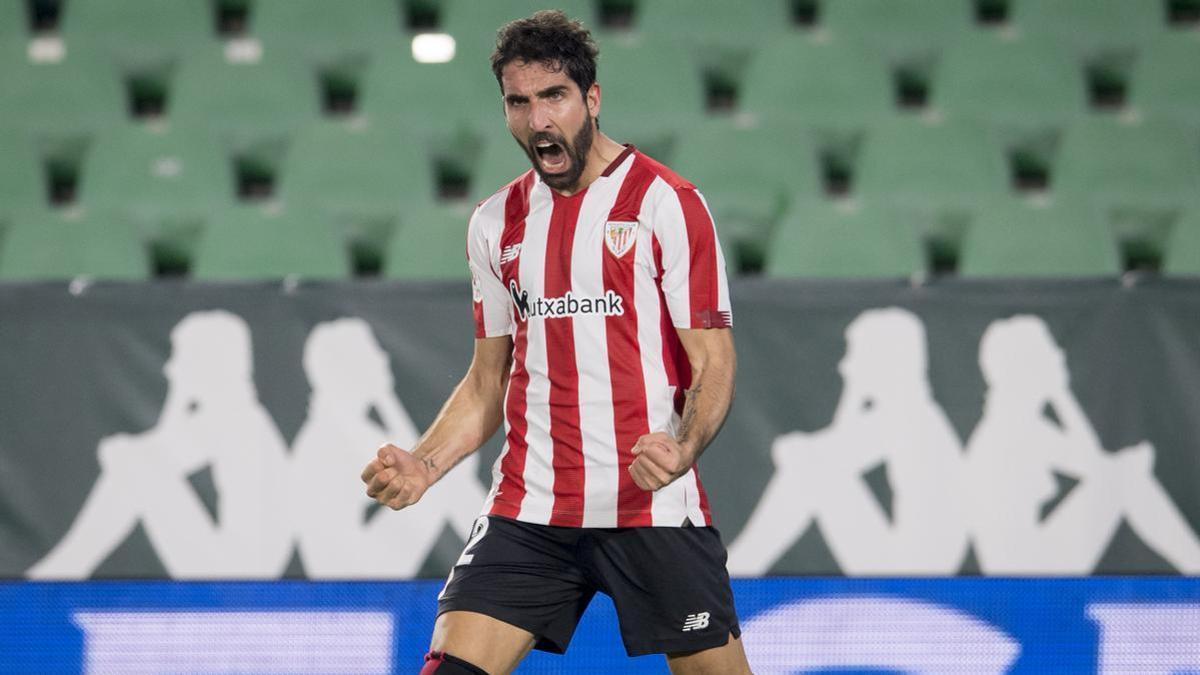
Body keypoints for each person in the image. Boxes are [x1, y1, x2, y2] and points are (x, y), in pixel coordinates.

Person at [360, 10, 750, 674]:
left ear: (591, 99)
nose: (538, 119)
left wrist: (683, 445)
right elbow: (489, 380)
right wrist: (425, 463)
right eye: (519, 102)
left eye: (554, 97)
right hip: (530, 507)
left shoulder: (666, 204)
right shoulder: (494, 224)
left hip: (650, 507)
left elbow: (712, 357)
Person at [27, 310, 292, 579]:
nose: (170, 368)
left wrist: (178, 393)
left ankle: (63, 570)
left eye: (181, 356)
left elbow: (151, 455)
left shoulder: (236, 421)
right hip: (233, 575)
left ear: (208, 363)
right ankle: (65, 568)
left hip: (237, 582)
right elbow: (159, 451)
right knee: (136, 463)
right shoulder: (234, 414)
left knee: (135, 464)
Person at [727, 308, 969, 576]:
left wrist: (854, 393)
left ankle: (738, 571)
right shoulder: (911, 412)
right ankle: (740, 567)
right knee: (813, 464)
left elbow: (811, 453)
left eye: (856, 354)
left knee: (809, 465)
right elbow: (833, 446)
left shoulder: (908, 416)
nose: (845, 366)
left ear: (884, 361)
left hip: (916, 572)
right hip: (911, 563)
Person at [965, 315, 1200, 574]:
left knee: (1123, 475)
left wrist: (1061, 395)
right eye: (1048, 351)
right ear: (1027, 367)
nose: (1059, 356)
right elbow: (1098, 467)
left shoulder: (1020, 424)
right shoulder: (1013, 430)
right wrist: (1060, 394)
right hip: (1022, 576)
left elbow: (1093, 461)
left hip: (1029, 566)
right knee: (1125, 477)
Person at [290, 318, 485, 578]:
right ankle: (496, 559)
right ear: (345, 369)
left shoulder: (361, 422)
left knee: (439, 472)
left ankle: (493, 556)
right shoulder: (324, 441)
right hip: (346, 576)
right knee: (447, 475)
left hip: (361, 565)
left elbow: (417, 467)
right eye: (370, 353)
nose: (382, 358)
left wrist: (385, 398)